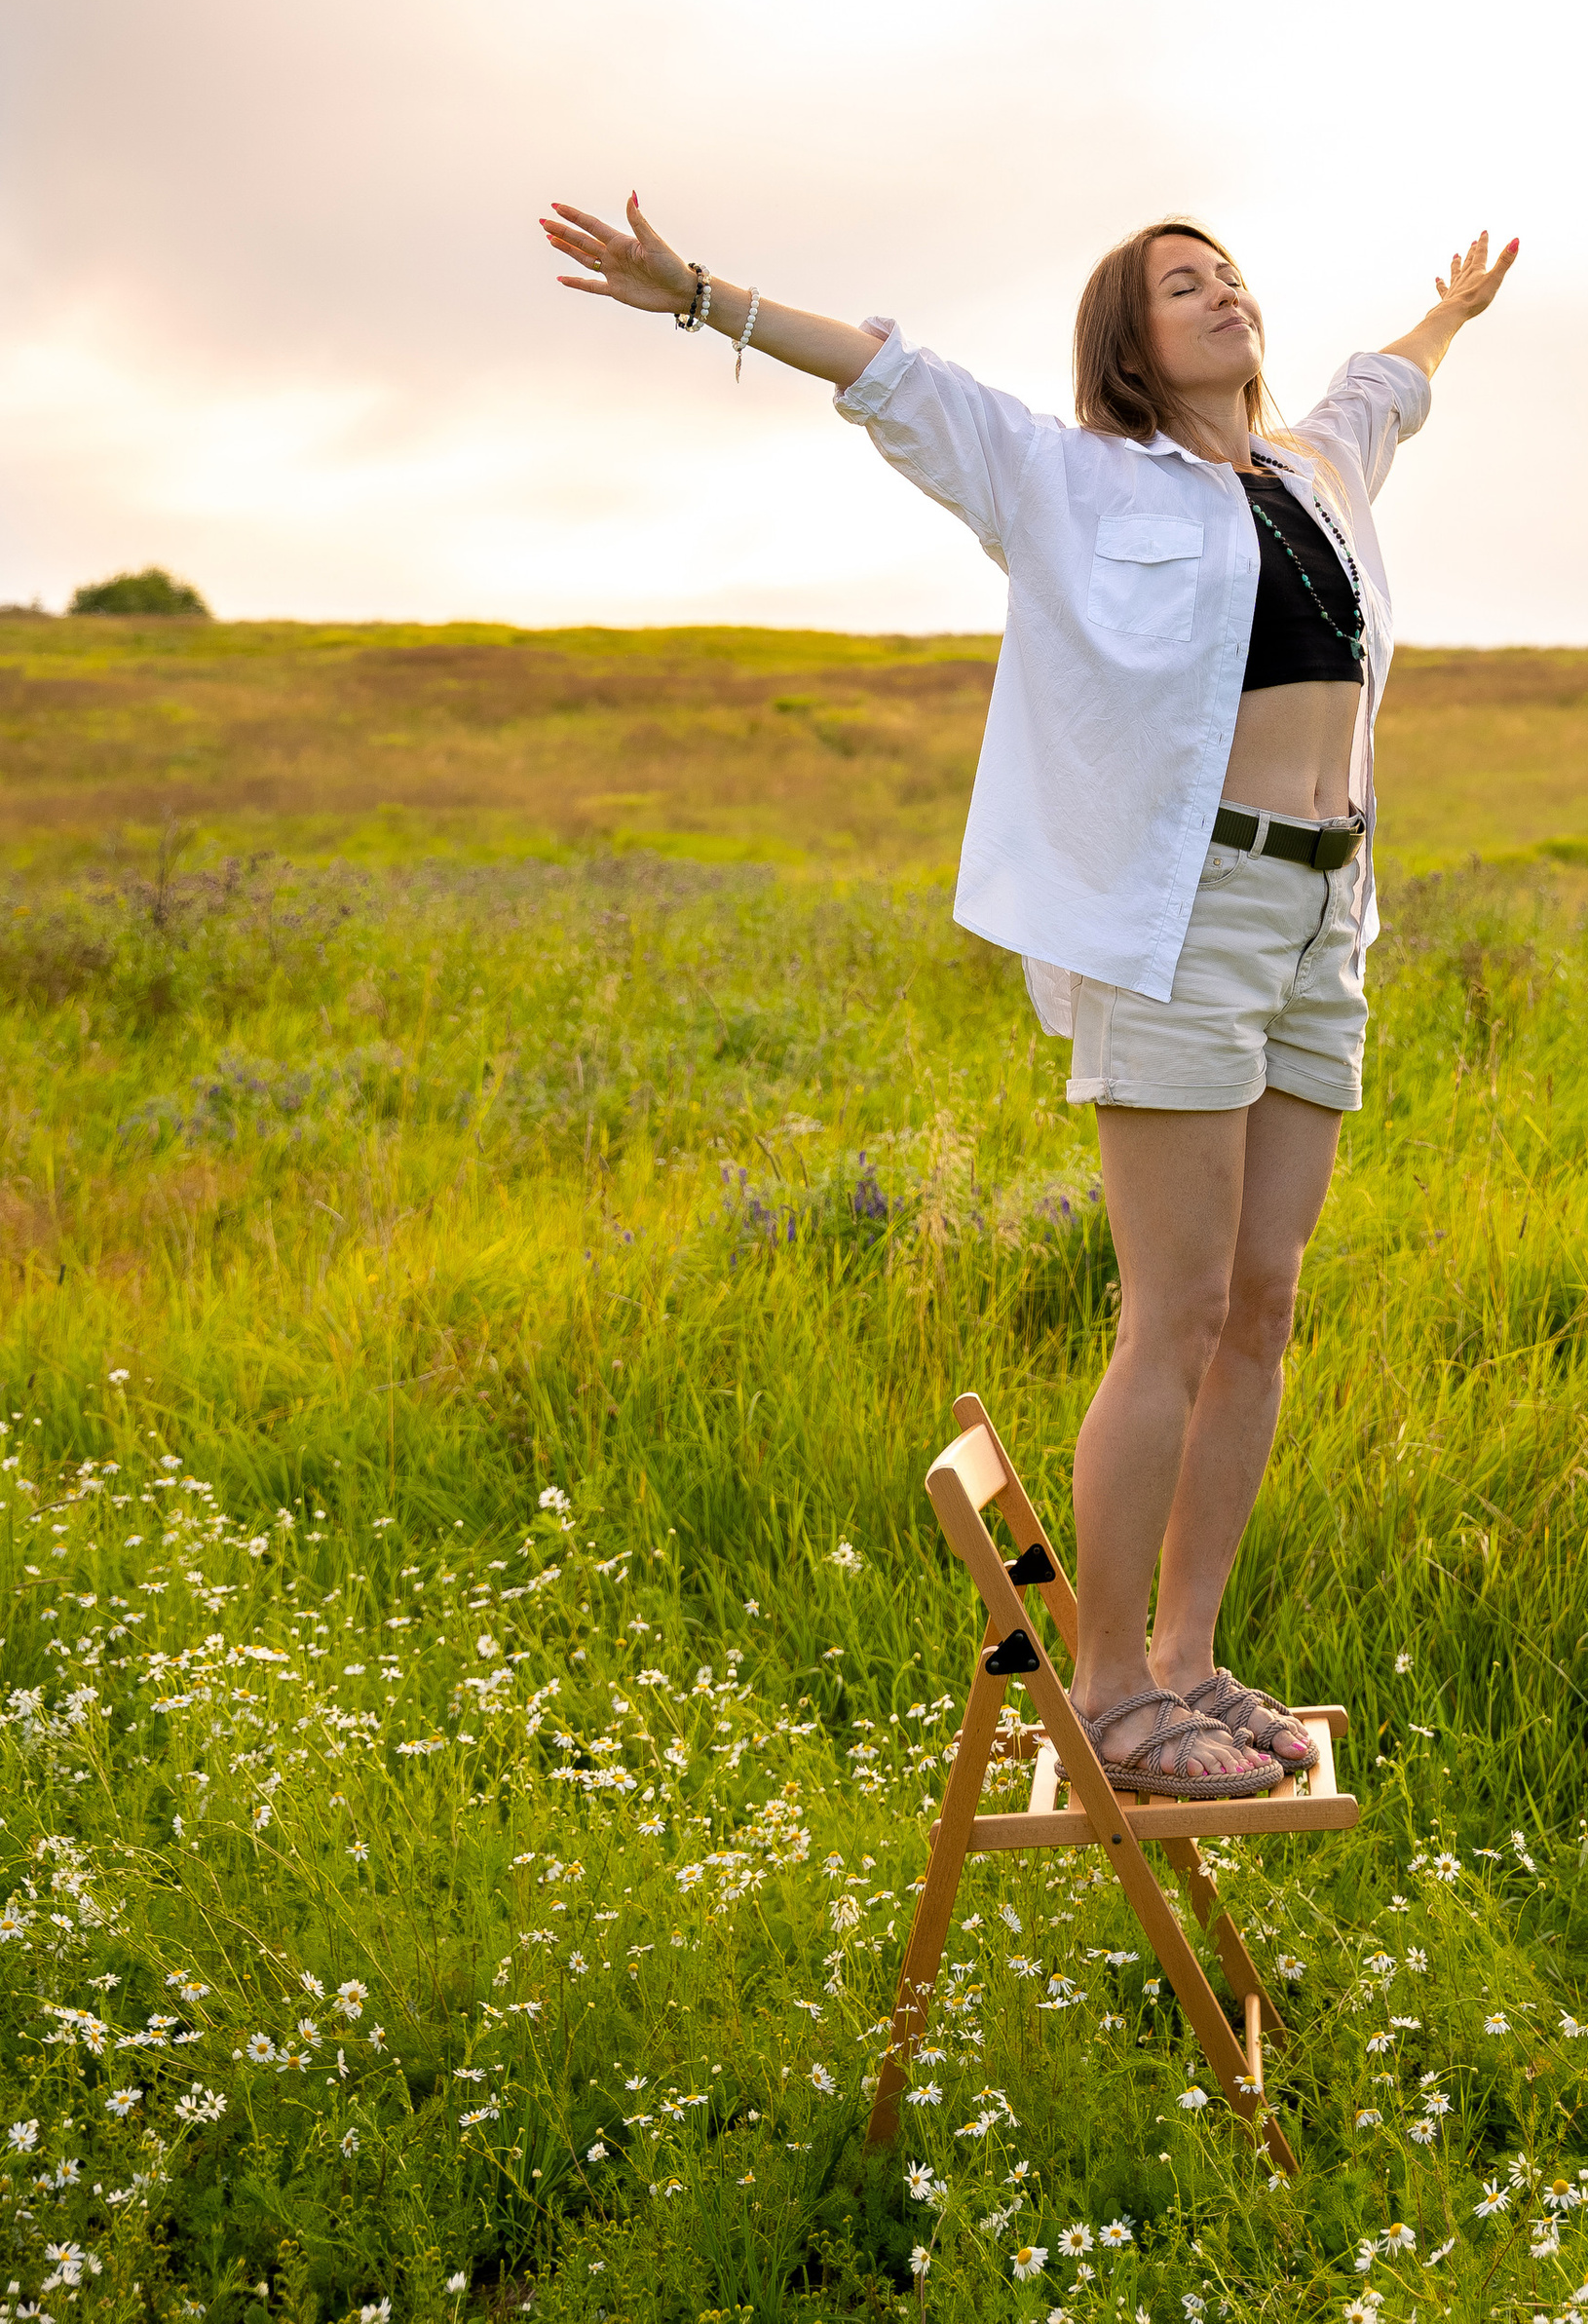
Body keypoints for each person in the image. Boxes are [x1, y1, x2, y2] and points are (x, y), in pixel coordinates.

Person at [541, 194, 1516, 1797]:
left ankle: (1196, 1657)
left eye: (1231, 278)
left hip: (1327, 910)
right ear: (1127, 343)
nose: (1223, 297)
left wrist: (1452, 317)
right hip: (1183, 910)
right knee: (1180, 1311)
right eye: (1181, 286)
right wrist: (706, 294)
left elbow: (1384, 378)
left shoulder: (1315, 474)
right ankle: (1118, 1685)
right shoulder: (1070, 480)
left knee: (1264, 1308)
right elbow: (895, 377)